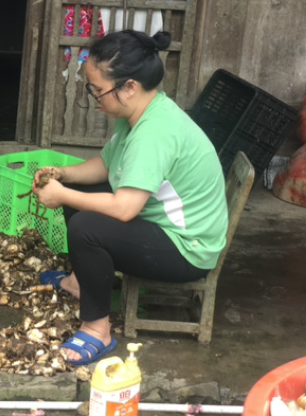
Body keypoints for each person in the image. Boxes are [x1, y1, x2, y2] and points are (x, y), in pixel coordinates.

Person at [32, 29, 228, 366]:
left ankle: (97, 329)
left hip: (188, 249)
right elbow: (107, 167)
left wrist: (62, 194)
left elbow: (124, 209)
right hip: (161, 226)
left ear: (129, 87)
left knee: (85, 227)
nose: (95, 98)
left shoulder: (154, 133)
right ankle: (82, 281)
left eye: (98, 90)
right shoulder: (138, 114)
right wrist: (65, 176)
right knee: (81, 198)